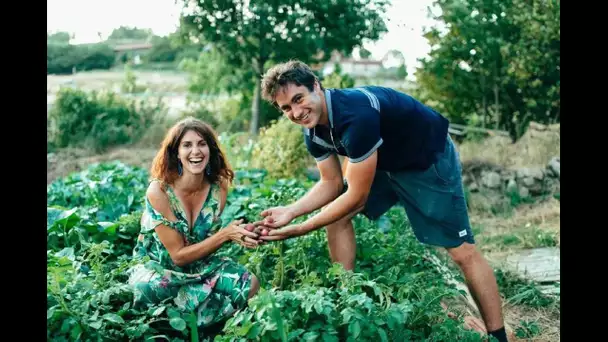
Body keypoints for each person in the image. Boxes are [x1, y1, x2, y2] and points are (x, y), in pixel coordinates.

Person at [255, 60, 509, 342]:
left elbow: (356, 196)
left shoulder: (355, 115)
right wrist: (291, 211)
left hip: (425, 160)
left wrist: (301, 228)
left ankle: (498, 336)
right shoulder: (313, 130)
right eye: (286, 108)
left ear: (316, 85)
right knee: (336, 216)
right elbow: (331, 183)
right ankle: (346, 301)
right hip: (383, 160)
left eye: (298, 99)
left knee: (462, 252)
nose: (296, 112)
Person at [128, 117, 261, 331]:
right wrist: (225, 235)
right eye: (187, 145)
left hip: (200, 265)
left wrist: (241, 231)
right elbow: (178, 256)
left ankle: (206, 326)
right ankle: (193, 321)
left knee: (250, 283)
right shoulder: (159, 191)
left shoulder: (218, 188)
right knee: (145, 288)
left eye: (201, 144)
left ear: (210, 149)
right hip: (160, 268)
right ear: (176, 153)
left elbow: (204, 243)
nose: (196, 151)